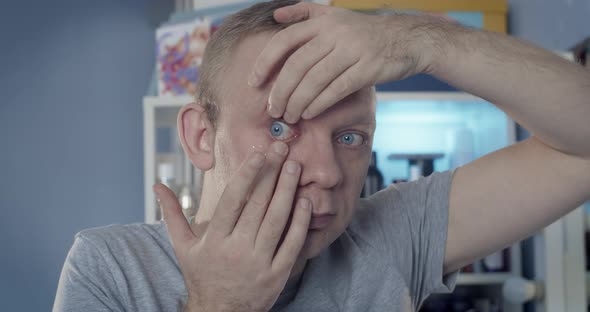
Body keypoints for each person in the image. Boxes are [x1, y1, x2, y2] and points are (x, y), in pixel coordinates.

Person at [54, 1, 590, 311]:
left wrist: (421, 40)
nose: (330, 174)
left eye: (350, 136)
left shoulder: (393, 235)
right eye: (281, 125)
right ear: (200, 137)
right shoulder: (111, 269)